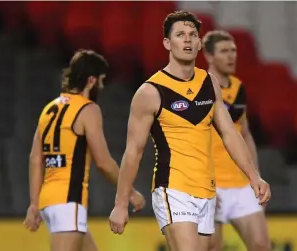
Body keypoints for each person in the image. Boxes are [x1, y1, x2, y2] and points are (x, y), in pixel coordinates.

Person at [109, 11, 271, 251]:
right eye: (180, 35)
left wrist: (253, 175)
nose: (187, 40)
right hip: (173, 189)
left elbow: (230, 133)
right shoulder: (151, 92)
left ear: (198, 43)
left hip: (207, 190)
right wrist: (120, 204)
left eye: (193, 35)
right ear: (167, 43)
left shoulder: (208, 83)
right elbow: (133, 151)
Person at [23, 49, 146, 251]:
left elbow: (36, 158)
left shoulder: (49, 109)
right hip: (68, 200)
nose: (102, 86)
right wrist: (129, 192)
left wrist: (34, 204)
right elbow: (104, 162)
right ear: (91, 80)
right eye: (101, 80)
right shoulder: (87, 109)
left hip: (48, 201)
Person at [202, 30, 271, 251]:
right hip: (212, 184)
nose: (231, 56)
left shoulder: (238, 87)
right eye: (224, 51)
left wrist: (256, 176)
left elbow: (245, 133)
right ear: (209, 57)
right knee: (213, 247)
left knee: (261, 246)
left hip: (241, 184)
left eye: (233, 51)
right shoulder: (197, 88)